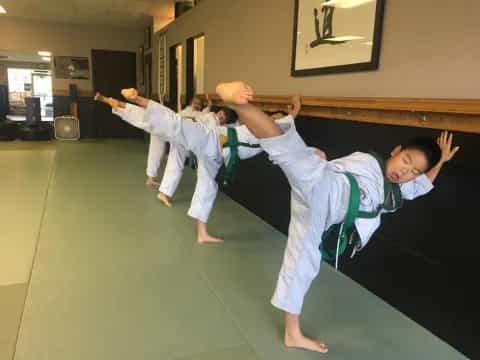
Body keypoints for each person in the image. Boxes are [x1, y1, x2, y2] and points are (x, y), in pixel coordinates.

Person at [215, 81, 459, 353]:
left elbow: (420, 186)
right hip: (324, 187)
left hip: (316, 215)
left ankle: (292, 333)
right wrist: (319, 160)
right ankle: (237, 103)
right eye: (406, 160)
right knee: (289, 150)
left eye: (413, 171)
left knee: (303, 265)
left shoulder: (397, 191)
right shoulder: (368, 161)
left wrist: (440, 163)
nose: (405, 172)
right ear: (396, 151)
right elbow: (337, 170)